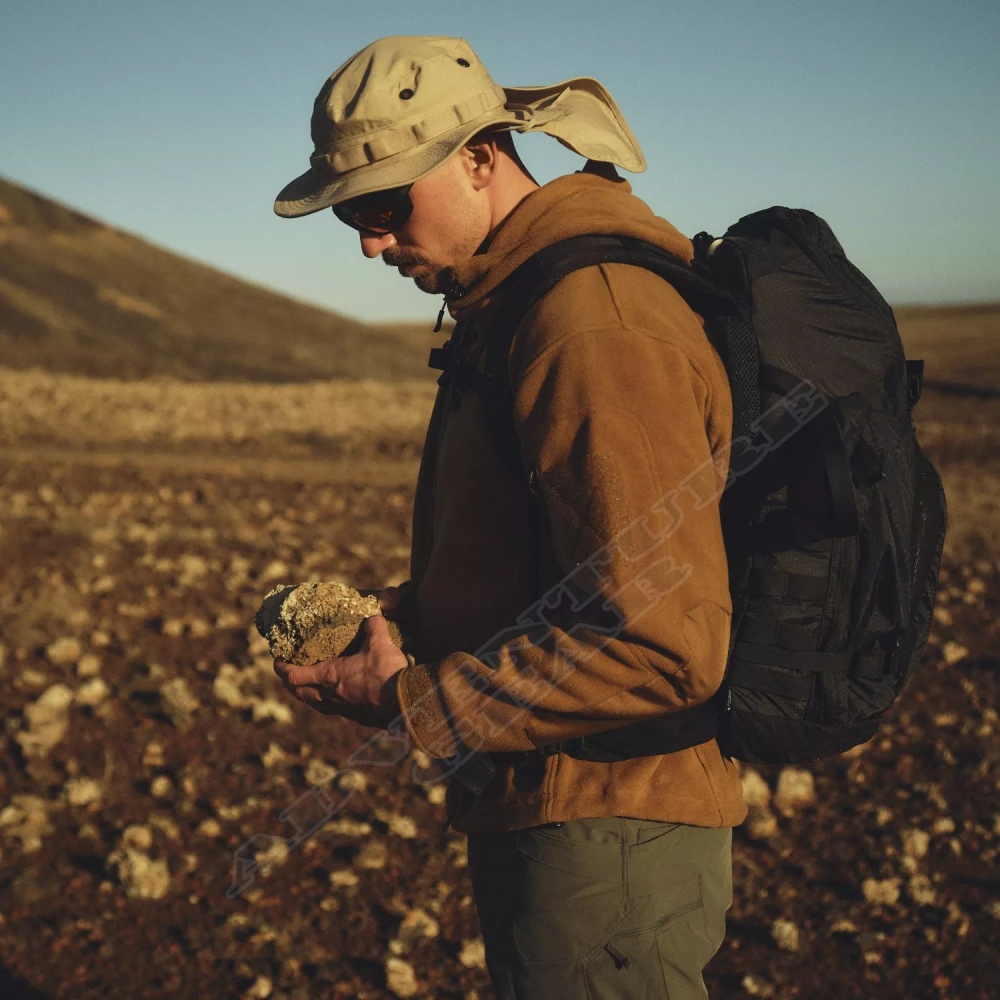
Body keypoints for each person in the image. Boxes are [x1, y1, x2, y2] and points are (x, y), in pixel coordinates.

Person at [271, 35, 746, 999]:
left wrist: (412, 701)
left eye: (383, 204)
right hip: (568, 810)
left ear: (481, 158)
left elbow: (659, 643)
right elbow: (558, 561)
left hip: (608, 830)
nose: (368, 241)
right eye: (350, 214)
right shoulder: (518, 303)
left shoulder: (590, 324)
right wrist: (407, 616)